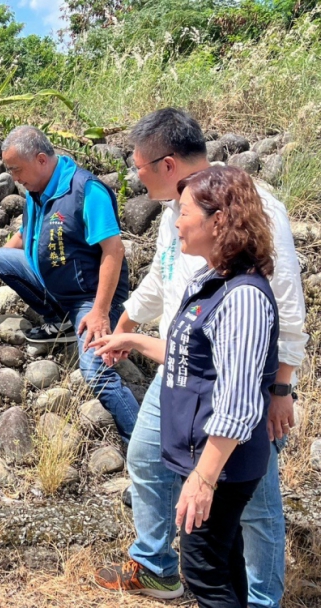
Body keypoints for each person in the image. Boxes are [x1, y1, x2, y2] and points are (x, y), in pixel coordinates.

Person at [95, 109, 306, 605]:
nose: (135, 175)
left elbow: (288, 309)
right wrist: (125, 327)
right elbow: (162, 279)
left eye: (140, 166)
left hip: (235, 385)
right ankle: (155, 565)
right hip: (181, 369)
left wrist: (280, 388)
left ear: (166, 163)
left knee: (251, 501)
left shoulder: (249, 211)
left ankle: (260, 598)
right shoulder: (181, 211)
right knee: (148, 456)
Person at [0, 125, 138, 441]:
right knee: (2, 258)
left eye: (17, 169)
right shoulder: (36, 189)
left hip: (92, 297)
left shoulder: (86, 191)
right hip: (57, 286)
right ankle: (59, 321)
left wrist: (101, 311)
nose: (14, 178)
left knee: (96, 374)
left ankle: (143, 442)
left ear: (42, 160)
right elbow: (23, 234)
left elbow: (113, 251)